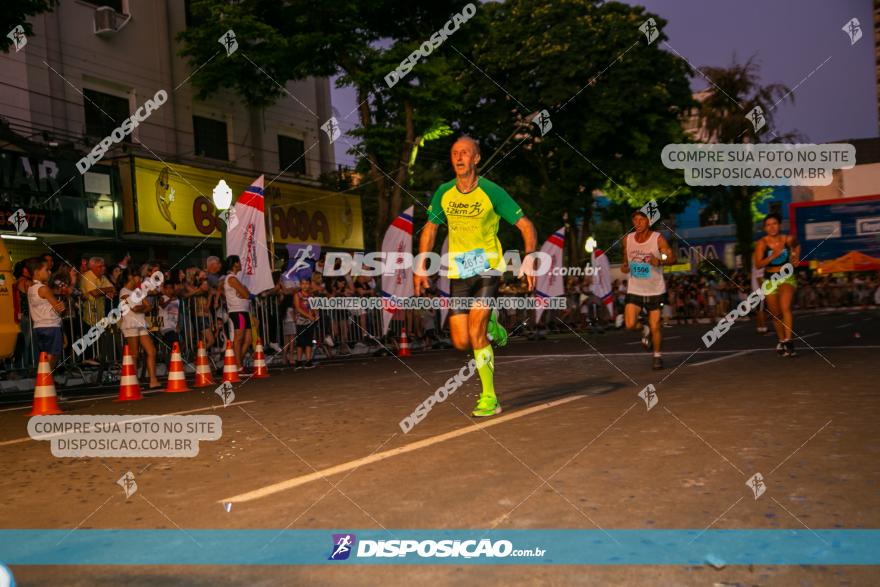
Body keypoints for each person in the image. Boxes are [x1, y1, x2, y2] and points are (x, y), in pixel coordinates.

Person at [414, 135, 537, 417]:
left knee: (476, 332)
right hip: (459, 271)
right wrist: (421, 265)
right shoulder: (444, 192)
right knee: (460, 341)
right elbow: (431, 229)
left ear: (476, 158)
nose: (459, 157)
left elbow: (526, 226)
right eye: (455, 153)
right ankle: (494, 325)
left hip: (487, 268)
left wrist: (529, 258)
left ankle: (489, 397)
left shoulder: (492, 192)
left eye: (465, 153)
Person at [621, 209, 675, 370]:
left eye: (641, 220)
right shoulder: (628, 239)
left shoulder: (657, 238)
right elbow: (625, 261)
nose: (637, 223)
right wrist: (625, 267)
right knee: (630, 324)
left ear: (649, 222)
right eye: (635, 220)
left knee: (656, 325)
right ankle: (643, 328)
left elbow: (671, 258)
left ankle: (657, 356)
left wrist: (660, 261)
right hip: (635, 288)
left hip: (655, 290)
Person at [754, 212, 800, 357]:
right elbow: (758, 265)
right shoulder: (761, 243)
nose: (772, 227)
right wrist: (773, 255)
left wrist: (795, 257)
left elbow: (797, 246)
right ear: (764, 228)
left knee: (785, 307)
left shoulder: (788, 238)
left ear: (779, 225)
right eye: (768, 225)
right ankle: (781, 340)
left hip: (787, 277)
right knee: (775, 314)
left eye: (774, 223)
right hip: (770, 279)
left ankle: (789, 340)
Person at [117, 268, 160, 389]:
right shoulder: (123, 291)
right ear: (131, 277)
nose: (140, 280)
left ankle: (153, 380)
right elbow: (136, 308)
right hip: (130, 325)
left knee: (151, 351)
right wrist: (141, 308)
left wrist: (140, 307)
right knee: (134, 354)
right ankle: (133, 382)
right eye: (138, 277)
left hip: (141, 324)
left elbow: (148, 306)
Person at [27, 258, 65, 369]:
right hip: (51, 325)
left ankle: (44, 378)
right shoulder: (44, 289)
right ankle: (47, 379)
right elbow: (58, 308)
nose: (49, 272)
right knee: (53, 354)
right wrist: (62, 305)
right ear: (36, 272)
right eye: (46, 270)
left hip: (39, 326)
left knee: (45, 354)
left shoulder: (31, 288)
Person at [79, 257, 116, 364]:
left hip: (100, 313)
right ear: (93, 267)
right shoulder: (87, 276)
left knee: (98, 337)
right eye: (100, 266)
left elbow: (113, 289)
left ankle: (97, 358)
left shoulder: (103, 277)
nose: (103, 268)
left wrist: (104, 291)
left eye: (104, 266)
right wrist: (106, 291)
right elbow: (94, 293)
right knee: (88, 336)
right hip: (87, 313)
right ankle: (86, 359)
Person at [223, 255, 253, 370]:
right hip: (237, 311)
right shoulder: (231, 278)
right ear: (235, 264)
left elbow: (245, 293)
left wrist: (244, 291)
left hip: (243, 310)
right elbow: (246, 294)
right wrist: (244, 291)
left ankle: (236, 362)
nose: (241, 264)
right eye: (239, 262)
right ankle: (238, 365)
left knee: (249, 339)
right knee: (239, 338)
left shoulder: (234, 278)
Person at [293, 279, 318, 369]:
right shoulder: (297, 295)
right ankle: (299, 361)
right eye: (303, 284)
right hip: (300, 321)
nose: (305, 286)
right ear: (300, 285)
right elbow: (298, 308)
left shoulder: (311, 295)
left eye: (307, 283)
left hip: (310, 321)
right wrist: (308, 315)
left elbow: (314, 306)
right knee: (300, 341)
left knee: (309, 341)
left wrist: (316, 314)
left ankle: (308, 361)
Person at [158, 281, 180, 357]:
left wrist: (178, 324)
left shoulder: (177, 299)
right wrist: (170, 299)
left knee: (173, 344)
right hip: (165, 325)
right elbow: (162, 305)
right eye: (167, 288)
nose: (169, 290)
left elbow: (177, 313)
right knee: (174, 342)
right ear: (164, 289)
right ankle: (172, 360)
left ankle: (169, 361)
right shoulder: (162, 298)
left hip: (173, 325)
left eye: (171, 288)